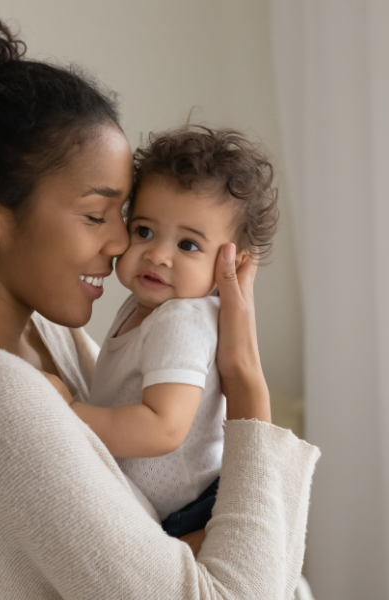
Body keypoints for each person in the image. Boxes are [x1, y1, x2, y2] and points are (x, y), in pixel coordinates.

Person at [0, 10, 320, 599]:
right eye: (94, 215)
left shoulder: (38, 337)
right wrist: (245, 381)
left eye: (122, 215)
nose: (119, 244)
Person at [58, 126, 278, 540]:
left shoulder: (180, 319)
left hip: (190, 512)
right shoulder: (146, 306)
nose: (157, 254)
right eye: (144, 231)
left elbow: (163, 428)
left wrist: (67, 415)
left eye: (188, 245)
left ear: (231, 263)